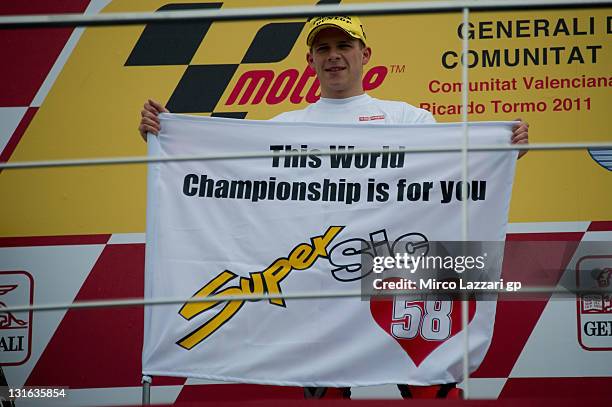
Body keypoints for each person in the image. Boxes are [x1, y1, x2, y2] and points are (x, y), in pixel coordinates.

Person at [139, 15, 529, 400]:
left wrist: (500, 152)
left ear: (365, 54)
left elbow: (455, 175)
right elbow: (231, 178)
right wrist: (173, 141)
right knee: (325, 389)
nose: (334, 56)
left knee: (426, 380)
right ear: (310, 61)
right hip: (319, 276)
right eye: (322, 49)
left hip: (395, 271)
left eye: (344, 46)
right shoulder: (284, 126)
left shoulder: (408, 118)